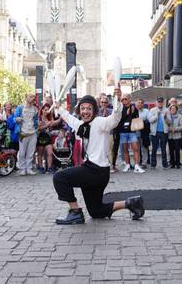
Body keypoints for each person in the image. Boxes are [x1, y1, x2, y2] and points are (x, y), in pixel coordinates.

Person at [52, 89, 145, 225]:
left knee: (59, 177)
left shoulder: (100, 122)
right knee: (96, 211)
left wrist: (117, 100)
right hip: (97, 173)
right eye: (82, 109)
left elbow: (114, 119)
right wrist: (59, 108)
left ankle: (75, 212)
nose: (85, 111)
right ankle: (131, 203)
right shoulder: (82, 126)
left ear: (94, 110)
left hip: (95, 171)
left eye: (89, 108)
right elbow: (70, 119)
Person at [117, 94, 144, 173]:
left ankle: (136, 166)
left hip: (132, 131)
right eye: (122, 99)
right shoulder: (120, 108)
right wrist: (127, 113)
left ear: (129, 99)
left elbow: (137, 118)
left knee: (135, 149)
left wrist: (132, 112)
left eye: (125, 99)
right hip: (123, 131)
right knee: (125, 150)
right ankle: (127, 165)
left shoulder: (134, 108)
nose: (123, 101)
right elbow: (119, 119)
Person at [13, 94, 39, 176]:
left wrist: (38, 123)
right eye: (30, 97)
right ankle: (22, 168)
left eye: (33, 97)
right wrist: (16, 119)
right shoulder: (20, 107)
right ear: (26, 98)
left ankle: (29, 168)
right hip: (23, 133)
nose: (32, 99)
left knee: (31, 152)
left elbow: (36, 120)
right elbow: (14, 118)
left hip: (32, 132)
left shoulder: (35, 109)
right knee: (22, 152)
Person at [148, 97, 169, 169]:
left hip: (164, 132)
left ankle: (165, 165)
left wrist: (166, 117)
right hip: (155, 132)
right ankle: (153, 164)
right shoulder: (152, 110)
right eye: (158, 102)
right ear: (156, 102)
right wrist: (156, 115)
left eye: (161, 102)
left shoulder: (167, 110)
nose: (160, 103)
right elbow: (150, 120)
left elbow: (170, 122)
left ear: (163, 103)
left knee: (163, 149)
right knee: (154, 148)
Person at [36, 103, 55, 174]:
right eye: (45, 110)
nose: (46, 111)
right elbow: (38, 128)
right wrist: (46, 125)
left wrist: (60, 118)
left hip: (48, 137)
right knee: (40, 153)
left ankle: (49, 168)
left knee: (50, 152)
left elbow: (53, 125)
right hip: (40, 136)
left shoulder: (50, 118)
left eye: (48, 110)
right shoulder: (39, 118)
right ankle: (41, 167)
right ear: (42, 110)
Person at [166, 104, 182, 168]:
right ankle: (172, 164)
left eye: (174, 109)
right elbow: (166, 126)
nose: (173, 110)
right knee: (171, 150)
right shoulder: (168, 117)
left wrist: (175, 129)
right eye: (171, 109)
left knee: (177, 150)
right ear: (170, 110)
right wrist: (170, 129)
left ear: (176, 110)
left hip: (177, 136)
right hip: (170, 136)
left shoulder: (180, 116)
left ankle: (178, 163)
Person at [136, 99, 150, 167]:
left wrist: (142, 121)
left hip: (144, 132)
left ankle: (144, 163)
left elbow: (148, 120)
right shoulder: (134, 111)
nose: (140, 104)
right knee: (137, 149)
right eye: (138, 103)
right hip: (136, 132)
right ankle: (137, 162)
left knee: (144, 148)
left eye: (141, 103)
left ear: (143, 104)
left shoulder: (146, 111)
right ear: (136, 104)